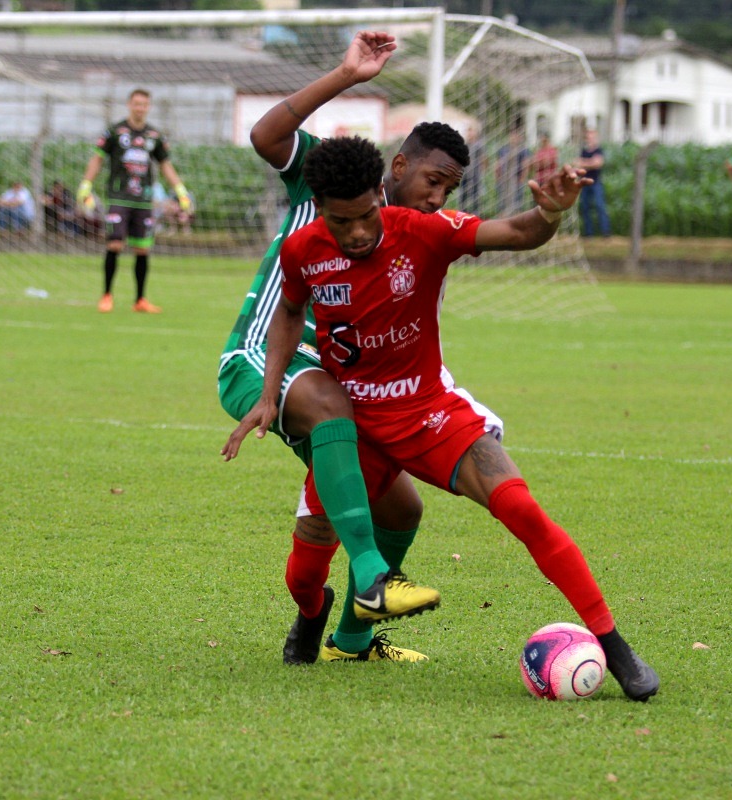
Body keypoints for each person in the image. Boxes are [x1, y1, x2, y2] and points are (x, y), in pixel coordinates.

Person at [231, 135, 660, 701]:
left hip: (426, 410)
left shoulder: (425, 231)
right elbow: (288, 311)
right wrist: (269, 393)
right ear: (322, 210)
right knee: (303, 575)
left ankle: (615, 646)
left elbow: (518, 232)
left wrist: (551, 213)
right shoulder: (302, 249)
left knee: (522, 508)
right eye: (340, 221)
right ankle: (314, 614)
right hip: (352, 425)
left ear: (380, 193)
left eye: (365, 216)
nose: (355, 233)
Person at [220, 32, 454, 666]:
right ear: (396, 168)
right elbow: (267, 136)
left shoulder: (412, 240)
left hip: (334, 388)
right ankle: (344, 590)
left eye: (448, 189)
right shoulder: (336, 178)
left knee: (401, 507)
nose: (436, 198)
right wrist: (347, 75)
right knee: (330, 416)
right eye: (431, 181)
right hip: (261, 361)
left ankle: (348, 639)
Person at [76, 89, 191, 314]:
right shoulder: (115, 132)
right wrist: (86, 184)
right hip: (119, 197)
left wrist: (180, 190)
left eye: (144, 104)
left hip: (144, 200)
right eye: (137, 104)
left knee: (142, 249)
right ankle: (106, 295)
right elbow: (97, 158)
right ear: (129, 104)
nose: (140, 108)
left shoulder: (154, 136)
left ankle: (140, 300)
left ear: (148, 107)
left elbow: (165, 165)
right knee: (115, 244)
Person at [575, 128, 611, 238]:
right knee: (585, 208)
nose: (590, 138)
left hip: (596, 183)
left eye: (592, 136)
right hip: (584, 183)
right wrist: (591, 162)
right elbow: (577, 163)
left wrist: (584, 163)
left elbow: (597, 164)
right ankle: (588, 234)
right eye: (588, 136)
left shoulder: (599, 150)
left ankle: (605, 233)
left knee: (600, 206)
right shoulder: (583, 151)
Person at [494, 126, 531, 215]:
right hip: (504, 180)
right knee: (502, 205)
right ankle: (502, 221)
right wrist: (498, 177)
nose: (514, 137)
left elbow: (526, 164)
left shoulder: (523, 149)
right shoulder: (503, 149)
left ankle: (517, 220)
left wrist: (522, 178)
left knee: (517, 204)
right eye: (512, 135)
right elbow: (498, 164)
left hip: (516, 180)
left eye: (516, 135)